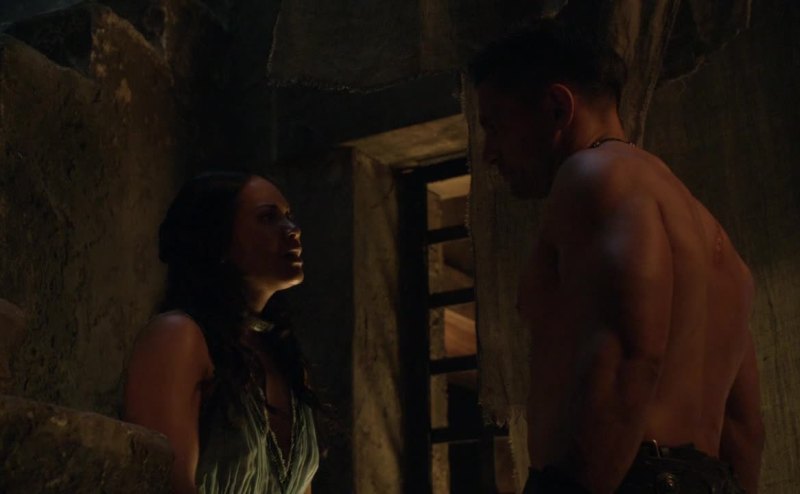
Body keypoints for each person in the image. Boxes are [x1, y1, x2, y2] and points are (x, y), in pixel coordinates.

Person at [469, 19, 764, 493]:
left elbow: (630, 358)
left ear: (557, 107)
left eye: (495, 126)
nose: (488, 153)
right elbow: (743, 426)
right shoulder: (711, 235)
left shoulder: (593, 177)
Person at [125, 172, 318, 494]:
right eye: (268, 218)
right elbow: (166, 483)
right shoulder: (178, 337)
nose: (292, 230)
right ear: (218, 238)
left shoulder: (285, 360)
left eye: (289, 217)